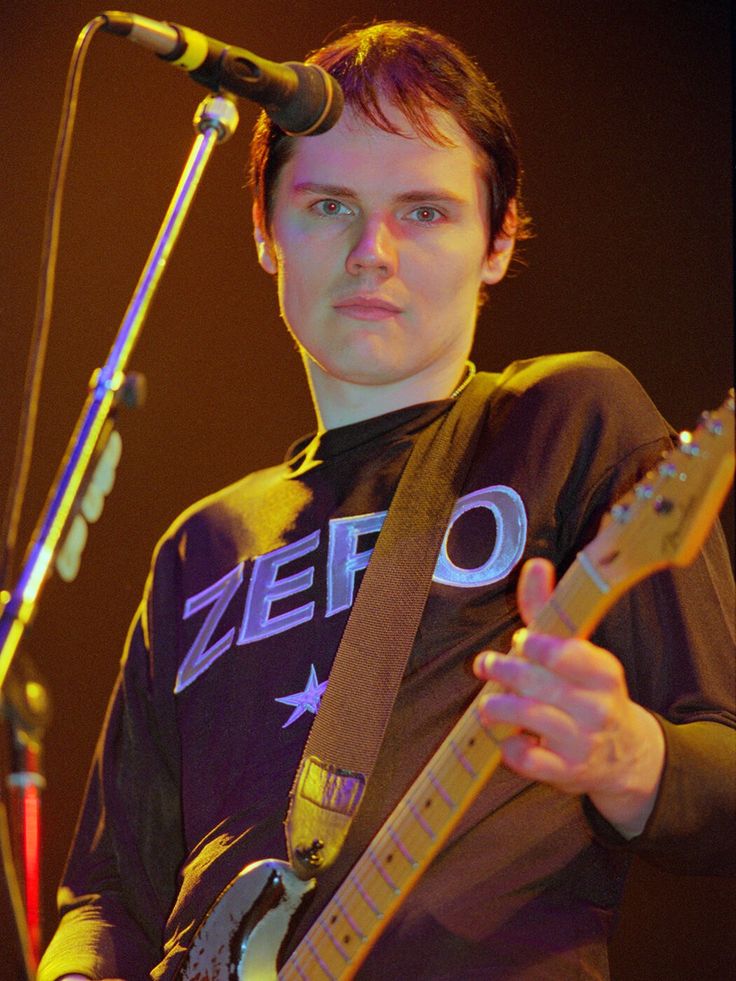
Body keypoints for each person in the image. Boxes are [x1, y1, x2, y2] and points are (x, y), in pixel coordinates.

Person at [38, 20, 734, 980]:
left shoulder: (567, 420)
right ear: (263, 232)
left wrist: (628, 756)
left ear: (499, 242)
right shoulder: (202, 543)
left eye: (425, 211)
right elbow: (110, 892)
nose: (373, 250)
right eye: (329, 205)